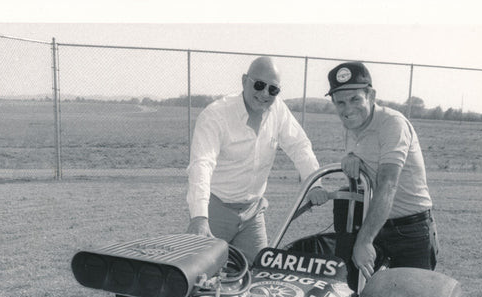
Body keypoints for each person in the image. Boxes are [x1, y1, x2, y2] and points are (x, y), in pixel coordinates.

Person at [186, 56, 328, 264]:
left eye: (273, 89)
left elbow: (299, 145)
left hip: (253, 212)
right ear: (245, 81)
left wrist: (315, 184)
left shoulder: (277, 110)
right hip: (216, 208)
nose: (264, 94)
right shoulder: (216, 114)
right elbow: (202, 164)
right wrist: (199, 217)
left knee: (259, 274)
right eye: (259, 85)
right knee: (199, 272)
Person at [326, 61, 439, 281]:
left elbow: (388, 183)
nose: (347, 109)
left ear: (371, 95)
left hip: (409, 230)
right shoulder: (351, 126)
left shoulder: (392, 123)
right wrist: (350, 158)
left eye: (355, 99)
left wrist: (364, 241)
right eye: (340, 102)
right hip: (375, 223)